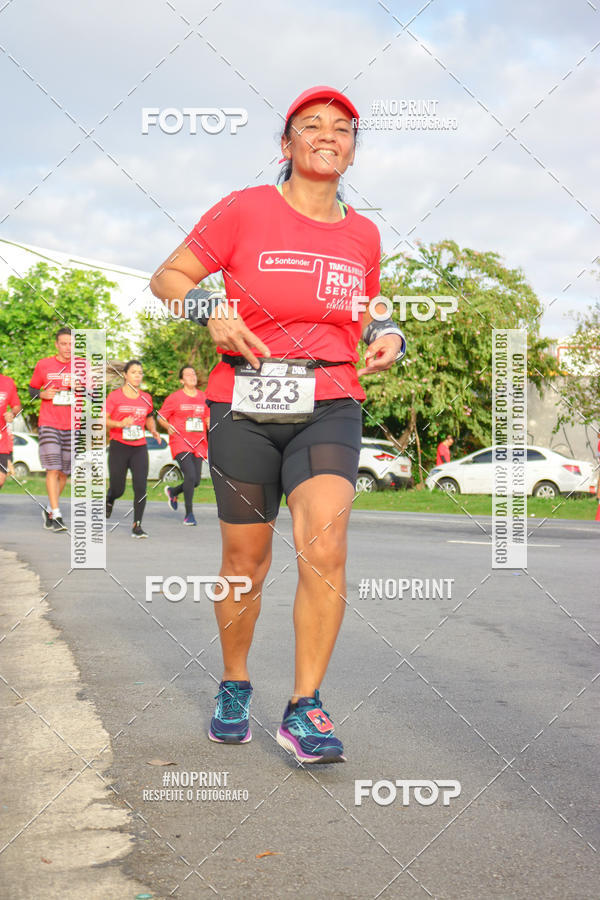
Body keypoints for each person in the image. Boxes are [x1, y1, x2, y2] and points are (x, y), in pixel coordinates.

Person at [149, 85, 405, 763]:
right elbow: (168, 277)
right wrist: (210, 310)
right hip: (245, 403)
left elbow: (367, 306)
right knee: (245, 561)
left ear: (353, 149)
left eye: (343, 128)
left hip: (330, 399)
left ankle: (305, 706)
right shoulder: (245, 209)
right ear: (286, 144)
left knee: (324, 547)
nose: (329, 135)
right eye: (312, 125)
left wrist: (389, 333)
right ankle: (234, 682)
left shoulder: (363, 233)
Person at [104, 360, 163, 539]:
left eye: (140, 372)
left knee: (140, 486)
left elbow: (149, 417)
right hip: (119, 446)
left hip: (139, 447)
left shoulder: (146, 397)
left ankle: (137, 525)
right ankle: (110, 498)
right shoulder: (114, 397)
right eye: (134, 372)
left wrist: (152, 430)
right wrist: (120, 423)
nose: (138, 375)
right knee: (118, 488)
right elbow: (103, 420)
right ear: (125, 375)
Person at [29, 328, 79, 532]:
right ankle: (57, 515)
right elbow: (32, 390)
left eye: (71, 344)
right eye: (64, 343)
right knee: (53, 468)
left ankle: (50, 508)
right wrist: (43, 394)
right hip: (49, 422)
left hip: (72, 424)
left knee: (64, 473)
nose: (68, 347)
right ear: (56, 345)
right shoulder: (44, 364)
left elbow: (92, 394)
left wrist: (80, 388)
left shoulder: (82, 367)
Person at [158, 365, 210, 526]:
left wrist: (213, 428)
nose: (192, 376)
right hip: (180, 441)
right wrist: (167, 426)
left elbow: (207, 418)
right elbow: (161, 416)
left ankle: (173, 492)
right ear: (181, 380)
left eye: (193, 373)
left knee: (195, 481)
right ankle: (189, 515)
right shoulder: (175, 398)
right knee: (190, 475)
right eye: (188, 375)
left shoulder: (204, 397)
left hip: (199, 442)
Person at [0, 372, 21, 489]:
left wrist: (12, 413)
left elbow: (17, 406)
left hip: (1, 438)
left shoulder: (7, 382)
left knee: (1, 478)